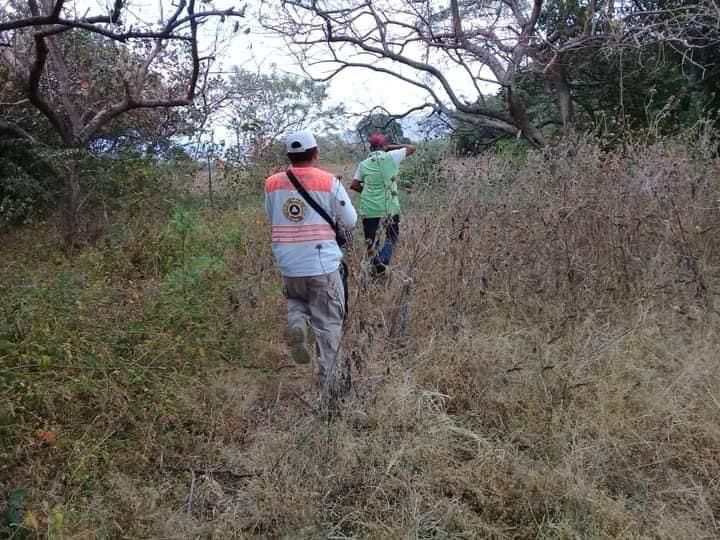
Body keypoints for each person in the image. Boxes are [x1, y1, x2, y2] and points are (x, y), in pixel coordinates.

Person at [264, 129, 357, 389]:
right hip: (322, 265)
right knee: (327, 324)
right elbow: (350, 221)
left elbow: (272, 217)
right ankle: (330, 385)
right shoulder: (328, 181)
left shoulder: (271, 183)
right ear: (316, 153)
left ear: (289, 155)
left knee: (296, 299)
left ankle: (297, 324)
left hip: (289, 264)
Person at [350, 133, 415, 275]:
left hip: (369, 209)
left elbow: (354, 185)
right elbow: (411, 147)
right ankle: (382, 261)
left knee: (372, 242)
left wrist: (367, 192)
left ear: (370, 147)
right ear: (384, 146)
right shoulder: (392, 156)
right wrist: (390, 147)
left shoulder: (363, 164)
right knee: (392, 237)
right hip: (390, 208)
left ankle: (375, 267)